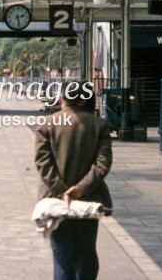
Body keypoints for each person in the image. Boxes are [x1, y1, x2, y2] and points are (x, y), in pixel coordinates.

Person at [34, 80, 113, 280]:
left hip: (55, 200)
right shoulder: (98, 125)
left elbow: (43, 163)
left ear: (61, 98)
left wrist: (62, 190)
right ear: (83, 99)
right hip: (88, 199)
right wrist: (81, 188)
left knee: (62, 256)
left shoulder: (48, 123)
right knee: (86, 253)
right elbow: (102, 164)